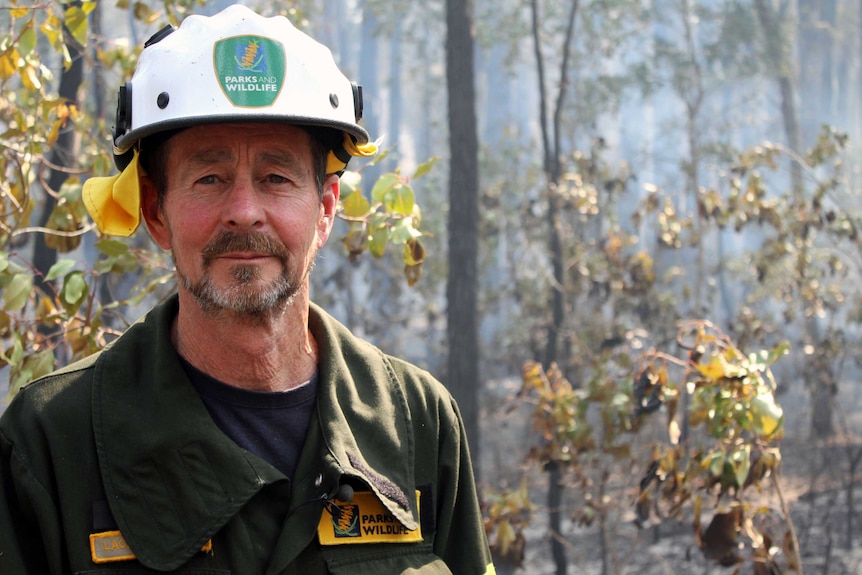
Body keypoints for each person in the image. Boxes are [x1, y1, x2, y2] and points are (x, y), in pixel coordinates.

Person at [0, 5, 495, 574]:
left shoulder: (418, 422)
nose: (243, 212)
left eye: (276, 178)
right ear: (156, 211)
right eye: (208, 178)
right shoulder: (50, 445)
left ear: (326, 210)